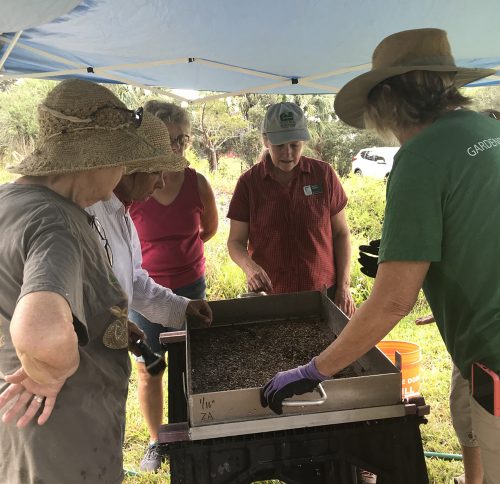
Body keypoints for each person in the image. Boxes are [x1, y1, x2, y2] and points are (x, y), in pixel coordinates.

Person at [261, 28, 500, 483]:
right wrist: (450, 288)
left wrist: (315, 369)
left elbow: (392, 301)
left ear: (388, 99)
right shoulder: (491, 131)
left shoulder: (420, 157)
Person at [0, 79, 168, 484]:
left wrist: (101, 324)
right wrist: (51, 370)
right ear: (95, 159)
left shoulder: (11, 201)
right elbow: (40, 331)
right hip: (63, 437)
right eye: (120, 162)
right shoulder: (57, 222)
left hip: (24, 431)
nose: (122, 174)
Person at [88, 108, 213, 472]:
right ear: (131, 167)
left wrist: (183, 306)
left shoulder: (121, 213)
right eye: (156, 171)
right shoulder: (84, 212)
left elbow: (135, 283)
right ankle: (157, 440)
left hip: (105, 369)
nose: (161, 183)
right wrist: (105, 319)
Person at [126, 101, 217, 471]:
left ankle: (196, 429)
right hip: (142, 291)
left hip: (191, 286)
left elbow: (208, 230)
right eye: (169, 139)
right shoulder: (134, 188)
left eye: (183, 139)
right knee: (151, 368)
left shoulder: (197, 182)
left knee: (194, 364)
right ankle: (156, 439)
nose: (177, 147)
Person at [227, 102, 355, 317]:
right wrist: (250, 268)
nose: (288, 153)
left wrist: (343, 286)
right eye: (279, 146)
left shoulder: (323, 175)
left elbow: (341, 233)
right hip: (271, 295)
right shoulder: (249, 183)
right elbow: (235, 242)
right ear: (266, 140)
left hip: (322, 292)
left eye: (295, 145)